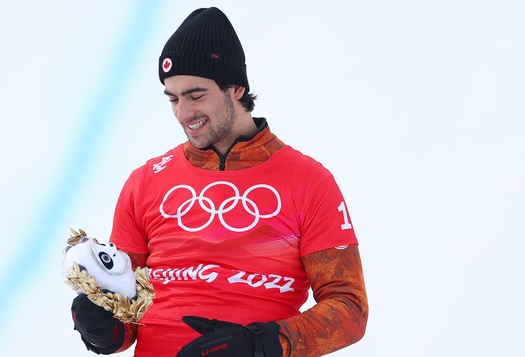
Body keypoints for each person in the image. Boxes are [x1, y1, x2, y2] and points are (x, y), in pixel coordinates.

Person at [70, 7, 368, 357]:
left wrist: (259, 343)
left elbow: (349, 309)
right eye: (173, 98)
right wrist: (103, 329)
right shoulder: (145, 182)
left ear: (236, 88)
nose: (183, 113)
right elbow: (126, 316)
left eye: (196, 95)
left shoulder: (309, 181)